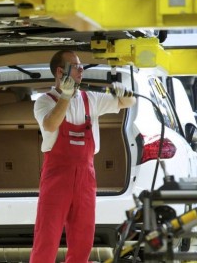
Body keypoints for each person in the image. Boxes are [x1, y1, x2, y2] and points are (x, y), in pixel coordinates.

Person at [30, 50, 135, 262]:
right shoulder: (44, 101)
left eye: (81, 66)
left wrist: (125, 95)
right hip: (56, 177)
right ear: (60, 72)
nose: (81, 70)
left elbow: (127, 104)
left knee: (83, 241)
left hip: (86, 177)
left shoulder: (91, 99)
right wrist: (66, 96)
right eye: (76, 66)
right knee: (46, 239)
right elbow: (50, 124)